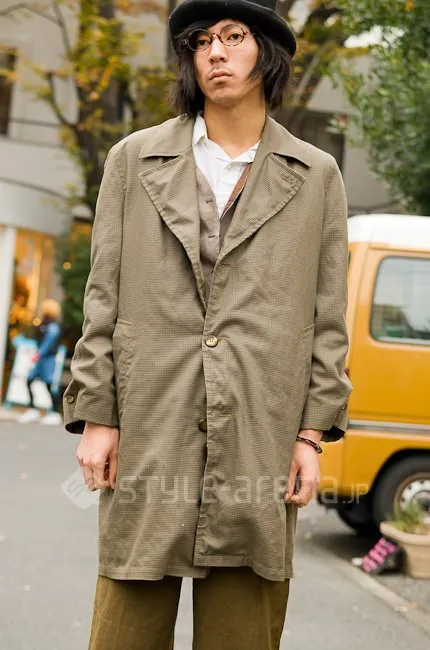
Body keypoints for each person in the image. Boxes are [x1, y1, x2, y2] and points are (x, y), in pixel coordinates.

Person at [63, 1, 352, 648]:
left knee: (241, 629)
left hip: (260, 435)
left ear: (267, 54)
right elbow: (102, 298)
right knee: (125, 628)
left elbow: (328, 320)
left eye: (233, 36)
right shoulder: (133, 161)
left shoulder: (316, 177)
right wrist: (98, 417)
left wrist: (310, 435)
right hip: (151, 427)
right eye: (200, 41)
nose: (215, 52)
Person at [17, 298, 63, 426]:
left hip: (48, 359)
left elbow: (48, 343)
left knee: (48, 385)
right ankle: (32, 409)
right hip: (41, 359)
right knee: (29, 380)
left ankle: (55, 413)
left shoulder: (53, 326)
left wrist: (39, 354)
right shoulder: (43, 324)